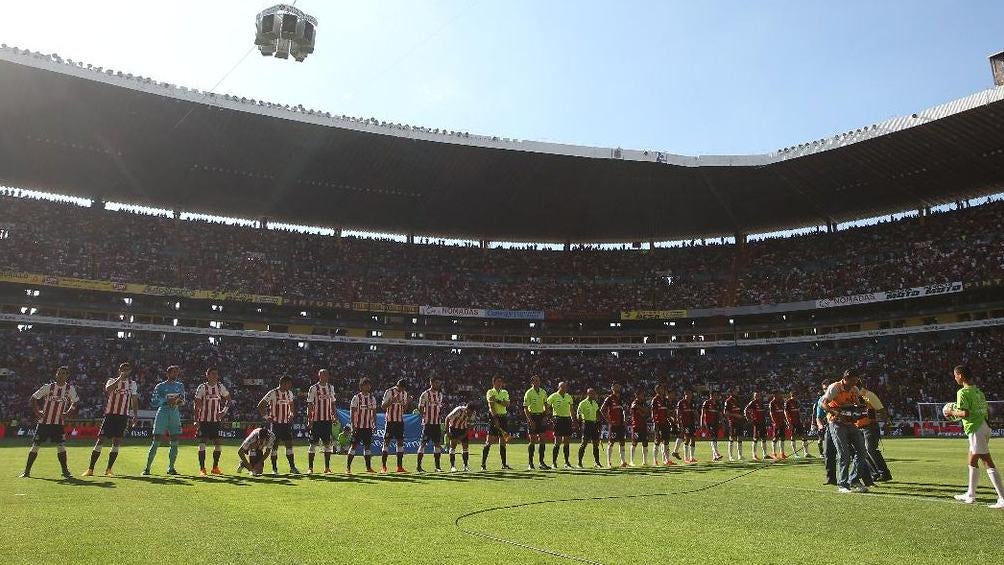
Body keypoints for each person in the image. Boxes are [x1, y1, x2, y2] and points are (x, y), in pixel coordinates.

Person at [945, 365, 1004, 508]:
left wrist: (950, 413)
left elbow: (965, 414)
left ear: (960, 375)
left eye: (955, 375)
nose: (955, 378)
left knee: (987, 461)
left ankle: (1002, 498)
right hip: (984, 426)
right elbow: (983, 411)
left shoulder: (962, 392)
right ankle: (970, 495)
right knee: (972, 460)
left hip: (976, 428)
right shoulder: (979, 392)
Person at [21, 366, 78, 478]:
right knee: (36, 445)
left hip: (58, 423)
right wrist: (37, 412)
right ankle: (26, 471)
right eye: (60, 373)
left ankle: (65, 471)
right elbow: (33, 398)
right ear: (56, 374)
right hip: (44, 423)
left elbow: (75, 402)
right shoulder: (48, 387)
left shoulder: (70, 389)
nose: (61, 375)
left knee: (61, 446)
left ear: (67, 376)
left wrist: (68, 412)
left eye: (64, 373)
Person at [84, 362, 137, 477]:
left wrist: (135, 415)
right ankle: (90, 469)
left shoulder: (132, 384)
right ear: (119, 370)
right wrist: (120, 379)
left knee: (117, 442)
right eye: (123, 369)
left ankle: (109, 469)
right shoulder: (112, 380)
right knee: (101, 440)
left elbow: (134, 399)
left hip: (123, 416)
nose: (125, 371)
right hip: (110, 415)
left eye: (127, 369)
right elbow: (108, 390)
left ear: (130, 371)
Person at [822, 369, 870, 493]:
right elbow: (824, 404)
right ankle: (843, 484)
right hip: (836, 423)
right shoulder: (835, 387)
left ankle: (853, 480)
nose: (855, 383)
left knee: (862, 451)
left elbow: (858, 405)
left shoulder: (854, 389)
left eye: (856, 380)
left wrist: (861, 410)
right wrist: (835, 412)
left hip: (851, 423)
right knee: (844, 454)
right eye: (853, 380)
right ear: (846, 378)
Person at [144, 365, 186, 476]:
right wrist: (167, 401)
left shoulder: (180, 386)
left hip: (174, 413)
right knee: (157, 439)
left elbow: (183, 401)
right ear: (168, 374)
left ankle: (171, 468)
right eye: (173, 372)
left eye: (177, 372)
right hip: (163, 412)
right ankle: (147, 468)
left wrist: (176, 402)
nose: (176, 374)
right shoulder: (160, 386)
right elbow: (153, 401)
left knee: (175, 439)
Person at [257, 375, 299, 476]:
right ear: (283, 383)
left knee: (289, 446)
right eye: (289, 384)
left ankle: (292, 467)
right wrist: (267, 417)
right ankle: (274, 468)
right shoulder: (272, 393)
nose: (290, 386)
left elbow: (291, 405)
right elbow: (260, 405)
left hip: (286, 424)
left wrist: (291, 414)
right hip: (275, 424)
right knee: (274, 447)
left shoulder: (289, 393)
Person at [193, 367, 230, 476]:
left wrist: (224, 411)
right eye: (213, 374)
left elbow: (229, 399)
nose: (215, 376)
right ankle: (202, 468)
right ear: (207, 375)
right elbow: (196, 404)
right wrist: (196, 420)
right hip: (204, 420)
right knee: (202, 443)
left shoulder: (220, 387)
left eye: (216, 374)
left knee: (218, 443)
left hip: (216, 421)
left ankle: (215, 467)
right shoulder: (202, 387)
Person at [856, 380, 891, 481]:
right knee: (864, 451)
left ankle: (884, 473)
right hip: (859, 427)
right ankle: (874, 473)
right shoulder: (853, 395)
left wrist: (886, 423)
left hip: (870, 426)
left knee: (870, 449)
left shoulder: (868, 395)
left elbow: (881, 410)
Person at [305, 369, 336, 474]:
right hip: (316, 420)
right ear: (319, 376)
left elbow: (332, 403)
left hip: (327, 420)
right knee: (313, 444)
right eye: (322, 374)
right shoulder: (313, 388)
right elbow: (309, 404)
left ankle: (327, 468)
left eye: (326, 374)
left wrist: (334, 416)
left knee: (327, 444)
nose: (325, 376)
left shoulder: (330, 388)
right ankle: (310, 468)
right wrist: (309, 419)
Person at [347, 378, 377, 474]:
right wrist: (353, 425)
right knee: (354, 446)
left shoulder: (372, 398)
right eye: (366, 385)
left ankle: (368, 468)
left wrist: (374, 424)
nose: (368, 387)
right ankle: (348, 467)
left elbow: (374, 412)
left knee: (367, 447)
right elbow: (352, 412)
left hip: (368, 426)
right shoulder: (356, 398)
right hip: (358, 426)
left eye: (369, 385)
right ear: (361, 386)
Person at [482, 376, 513, 471]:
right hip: (494, 417)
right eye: (498, 381)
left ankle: (504, 464)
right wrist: (495, 418)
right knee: (489, 441)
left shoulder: (505, 392)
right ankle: (483, 464)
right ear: (494, 383)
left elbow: (507, 404)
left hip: (503, 417)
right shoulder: (490, 392)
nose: (500, 383)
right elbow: (491, 406)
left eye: (501, 382)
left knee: (503, 441)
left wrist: (497, 400)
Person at [416, 376, 445, 473]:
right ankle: (419, 467)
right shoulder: (425, 394)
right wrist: (424, 415)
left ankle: (437, 467)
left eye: (439, 383)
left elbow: (440, 407)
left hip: (436, 423)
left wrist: (440, 414)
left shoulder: (440, 394)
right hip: (428, 423)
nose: (438, 385)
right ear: (431, 383)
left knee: (437, 444)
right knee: (423, 444)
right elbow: (420, 406)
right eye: (436, 383)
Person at [381, 379, 410, 473]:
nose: (403, 390)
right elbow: (383, 406)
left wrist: (408, 402)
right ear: (399, 386)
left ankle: (399, 467)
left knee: (400, 442)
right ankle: (384, 467)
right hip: (390, 421)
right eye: (402, 388)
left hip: (400, 421)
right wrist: (391, 401)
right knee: (386, 442)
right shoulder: (389, 392)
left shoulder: (404, 393)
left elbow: (404, 408)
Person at [523, 375, 550, 470]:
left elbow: (546, 404)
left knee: (543, 439)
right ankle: (530, 463)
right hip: (532, 416)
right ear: (532, 382)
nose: (538, 382)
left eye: (539, 380)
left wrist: (546, 416)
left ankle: (541, 462)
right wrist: (530, 421)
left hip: (541, 416)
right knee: (532, 440)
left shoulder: (543, 392)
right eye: (536, 381)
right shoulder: (529, 393)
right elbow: (525, 408)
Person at [546, 381, 575, 469]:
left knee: (566, 441)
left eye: (565, 387)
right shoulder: (553, 396)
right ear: (558, 387)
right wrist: (550, 417)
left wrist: (573, 420)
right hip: (558, 419)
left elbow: (571, 409)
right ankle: (554, 463)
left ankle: (566, 462)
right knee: (557, 441)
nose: (564, 388)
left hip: (567, 420)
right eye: (562, 387)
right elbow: (546, 406)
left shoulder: (568, 396)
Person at [600, 383, 627, 468]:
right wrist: (608, 420)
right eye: (615, 386)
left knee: (622, 442)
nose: (617, 387)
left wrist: (625, 419)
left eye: (618, 386)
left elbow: (624, 410)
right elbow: (602, 409)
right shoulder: (609, 398)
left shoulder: (622, 398)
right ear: (612, 388)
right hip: (614, 424)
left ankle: (623, 462)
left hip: (621, 424)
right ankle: (609, 462)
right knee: (611, 442)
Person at [445, 402, 476, 472]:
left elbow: (469, 425)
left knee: (465, 447)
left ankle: (465, 466)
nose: (469, 413)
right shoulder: (459, 410)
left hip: (463, 429)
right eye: (468, 411)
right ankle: (452, 467)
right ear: (466, 408)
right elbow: (447, 418)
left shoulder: (473, 414)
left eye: (471, 412)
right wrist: (447, 432)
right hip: (454, 428)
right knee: (453, 446)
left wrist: (464, 434)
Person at [817, 381, 837, 485]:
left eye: (827, 388)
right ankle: (831, 478)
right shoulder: (821, 400)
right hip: (829, 427)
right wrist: (820, 426)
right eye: (824, 389)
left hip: (843, 426)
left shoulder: (838, 396)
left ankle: (866, 478)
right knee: (828, 453)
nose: (826, 391)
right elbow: (818, 418)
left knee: (852, 453)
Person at [577, 388, 602, 468]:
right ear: (589, 394)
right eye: (593, 394)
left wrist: (598, 423)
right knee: (584, 444)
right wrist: (580, 424)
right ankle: (579, 463)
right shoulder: (582, 403)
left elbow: (597, 413)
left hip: (594, 425)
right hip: (586, 424)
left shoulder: (595, 403)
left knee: (595, 444)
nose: (595, 395)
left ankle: (597, 462)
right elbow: (579, 415)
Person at [651, 384, 674, 466]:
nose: (663, 390)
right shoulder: (655, 400)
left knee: (666, 441)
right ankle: (655, 460)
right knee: (657, 441)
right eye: (661, 389)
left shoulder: (665, 400)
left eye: (663, 389)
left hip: (665, 423)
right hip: (658, 423)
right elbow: (653, 412)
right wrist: (655, 422)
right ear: (657, 390)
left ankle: (667, 460)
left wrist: (671, 418)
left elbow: (668, 411)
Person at [784, 391, 810, 459]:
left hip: (798, 422)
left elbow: (798, 412)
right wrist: (788, 422)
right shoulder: (788, 402)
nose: (797, 397)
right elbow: (786, 412)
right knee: (793, 436)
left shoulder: (797, 402)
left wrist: (801, 419)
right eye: (796, 396)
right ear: (793, 396)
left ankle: (806, 453)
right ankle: (795, 453)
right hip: (792, 422)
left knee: (803, 436)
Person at [745, 392, 770, 461]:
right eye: (756, 396)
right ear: (754, 396)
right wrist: (748, 418)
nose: (757, 397)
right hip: (756, 423)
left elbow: (763, 412)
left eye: (758, 395)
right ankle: (754, 455)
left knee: (764, 438)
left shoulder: (761, 403)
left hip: (762, 422)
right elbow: (746, 410)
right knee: (755, 438)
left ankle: (765, 454)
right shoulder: (753, 403)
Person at [673, 391, 697, 463]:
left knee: (693, 439)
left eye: (690, 394)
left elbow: (694, 412)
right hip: (685, 423)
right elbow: (678, 412)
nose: (689, 396)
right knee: (687, 439)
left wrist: (697, 419)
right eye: (687, 394)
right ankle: (686, 458)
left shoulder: (692, 403)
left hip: (691, 423)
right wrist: (678, 421)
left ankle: (691, 457)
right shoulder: (681, 403)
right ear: (685, 395)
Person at [701, 391, 724, 462]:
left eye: (717, 395)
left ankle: (714, 457)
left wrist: (722, 421)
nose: (716, 396)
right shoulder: (706, 403)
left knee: (715, 438)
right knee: (713, 437)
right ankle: (716, 454)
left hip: (716, 422)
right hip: (709, 422)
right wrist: (702, 422)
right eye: (715, 395)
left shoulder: (718, 403)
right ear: (711, 395)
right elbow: (703, 413)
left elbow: (720, 413)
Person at [630, 390, 650, 466]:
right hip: (636, 426)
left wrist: (641, 409)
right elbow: (642, 414)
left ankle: (645, 461)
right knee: (635, 443)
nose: (643, 396)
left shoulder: (643, 403)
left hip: (643, 425)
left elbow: (647, 412)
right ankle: (631, 461)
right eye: (641, 395)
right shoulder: (634, 403)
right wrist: (643, 410)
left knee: (645, 443)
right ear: (637, 395)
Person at [723, 391, 744, 461]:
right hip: (733, 422)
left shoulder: (739, 400)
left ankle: (740, 456)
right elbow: (726, 413)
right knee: (732, 438)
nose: (736, 392)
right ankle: (731, 456)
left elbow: (741, 410)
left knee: (740, 437)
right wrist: (735, 415)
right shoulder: (728, 401)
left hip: (740, 422)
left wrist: (741, 416)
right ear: (731, 393)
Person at [768, 392, 788, 459]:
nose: (780, 395)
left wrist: (785, 421)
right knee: (775, 438)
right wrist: (775, 422)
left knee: (782, 438)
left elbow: (783, 413)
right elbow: (771, 414)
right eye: (778, 394)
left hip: (782, 422)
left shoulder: (781, 402)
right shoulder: (772, 403)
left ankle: (782, 453)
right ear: (775, 395)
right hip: (776, 423)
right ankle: (774, 453)